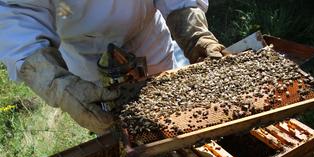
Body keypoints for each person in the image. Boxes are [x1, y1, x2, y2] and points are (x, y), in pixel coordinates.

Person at [0, 0, 225, 134]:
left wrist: (192, 31)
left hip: (146, 33)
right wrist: (57, 84)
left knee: (174, 109)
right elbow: (18, 13)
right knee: (114, 125)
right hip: (86, 51)